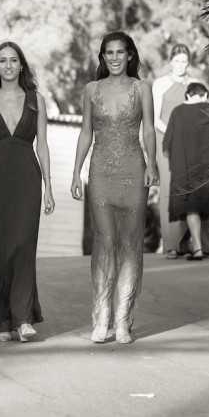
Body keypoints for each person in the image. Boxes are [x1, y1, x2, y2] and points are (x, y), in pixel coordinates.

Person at [70, 31, 159, 345]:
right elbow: (85, 132)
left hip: (134, 172)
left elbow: (149, 130)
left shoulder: (142, 88)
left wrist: (152, 165)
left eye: (121, 52)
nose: (115, 58)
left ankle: (122, 321)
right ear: (103, 57)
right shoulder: (91, 90)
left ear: (130, 55)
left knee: (130, 245)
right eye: (109, 52)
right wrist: (76, 171)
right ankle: (102, 316)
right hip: (100, 174)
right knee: (105, 243)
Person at [0, 42, 55, 342]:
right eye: (2, 61)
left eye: (13, 60)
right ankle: (1, 319)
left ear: (21, 66)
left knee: (22, 246)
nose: (8, 65)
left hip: (27, 178)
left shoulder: (36, 99)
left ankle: (23, 318)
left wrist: (48, 186)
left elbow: (43, 145)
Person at [151, 44, 209, 257]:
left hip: (191, 143)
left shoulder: (195, 84)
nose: (180, 65)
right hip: (166, 142)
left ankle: (199, 244)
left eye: (184, 61)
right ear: (170, 61)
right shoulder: (160, 84)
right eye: (177, 61)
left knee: (195, 189)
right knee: (170, 190)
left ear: (188, 63)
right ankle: (172, 245)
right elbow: (154, 118)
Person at [163, 82, 209, 261]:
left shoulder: (178, 112)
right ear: (205, 95)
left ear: (188, 95)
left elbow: (167, 146)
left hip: (186, 171)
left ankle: (198, 249)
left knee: (191, 208)